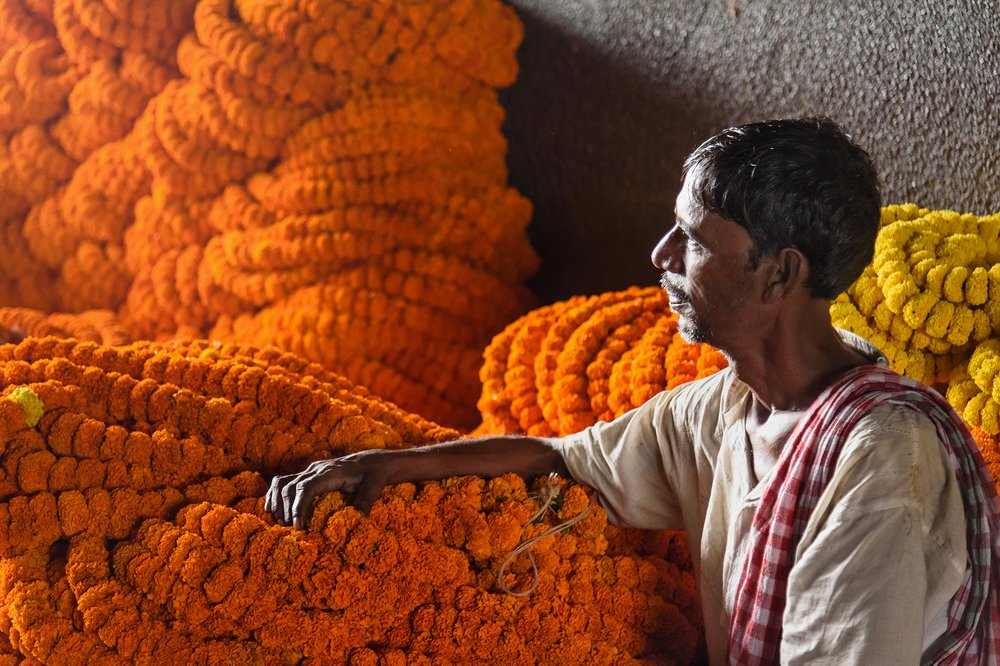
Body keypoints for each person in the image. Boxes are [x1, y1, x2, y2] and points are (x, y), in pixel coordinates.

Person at [266, 118, 1000, 664]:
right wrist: (390, 464)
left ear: (780, 273)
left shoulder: (881, 457)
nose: (660, 256)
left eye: (694, 240)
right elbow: (563, 458)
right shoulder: (725, 410)